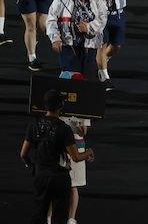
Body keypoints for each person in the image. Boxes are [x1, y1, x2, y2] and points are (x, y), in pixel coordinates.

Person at [20, 89, 94, 224]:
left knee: (39, 213)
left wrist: (33, 168)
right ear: (61, 106)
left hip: (41, 176)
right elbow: (76, 157)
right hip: (60, 178)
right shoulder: (64, 128)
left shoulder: (33, 125)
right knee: (59, 217)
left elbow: (23, 154)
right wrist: (89, 152)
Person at [46, 0, 108, 78]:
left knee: (87, 76)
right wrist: (54, 38)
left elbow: (103, 19)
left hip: (90, 44)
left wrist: (88, 27)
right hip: (68, 44)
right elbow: (51, 18)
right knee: (71, 76)